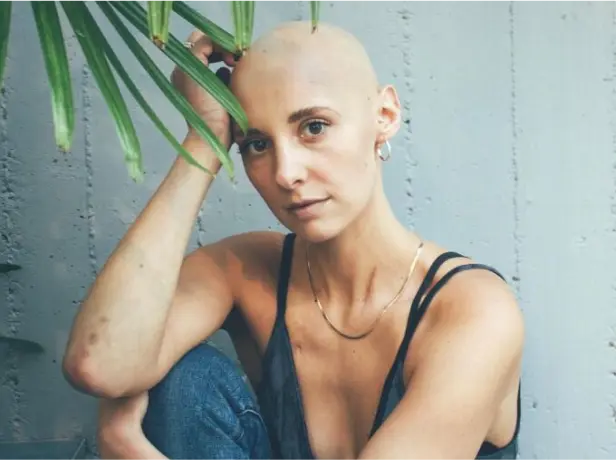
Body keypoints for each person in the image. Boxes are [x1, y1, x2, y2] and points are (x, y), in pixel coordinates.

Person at [62, 20, 524, 460]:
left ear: (384, 116)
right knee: (183, 379)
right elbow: (102, 365)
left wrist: (126, 442)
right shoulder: (246, 268)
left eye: (314, 127)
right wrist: (203, 140)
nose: (285, 173)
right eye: (255, 144)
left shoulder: (474, 312)